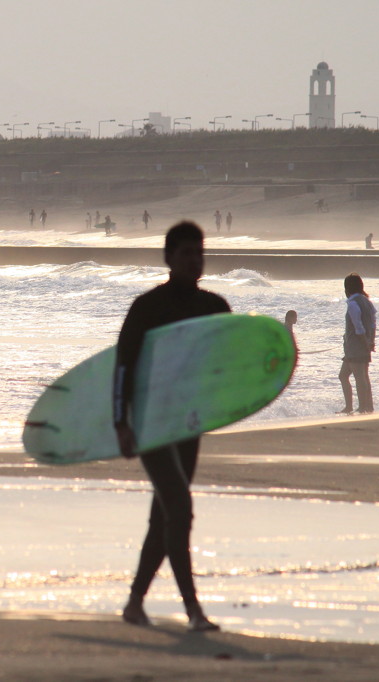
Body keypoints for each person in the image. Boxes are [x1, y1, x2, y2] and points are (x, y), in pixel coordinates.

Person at [113, 221, 229, 633]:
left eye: (199, 253)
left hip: (189, 423)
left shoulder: (216, 308)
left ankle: (133, 604)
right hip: (150, 422)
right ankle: (193, 610)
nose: (194, 260)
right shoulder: (147, 307)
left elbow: (227, 366)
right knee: (179, 508)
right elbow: (123, 366)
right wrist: (121, 423)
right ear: (168, 258)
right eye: (185, 254)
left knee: (164, 515)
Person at [337, 273, 376, 414]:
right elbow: (372, 324)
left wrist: (365, 342)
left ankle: (364, 407)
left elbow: (358, 327)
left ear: (347, 288)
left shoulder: (353, 303)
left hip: (356, 345)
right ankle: (359, 406)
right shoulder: (367, 301)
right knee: (345, 376)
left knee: (360, 377)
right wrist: (371, 341)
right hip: (358, 345)